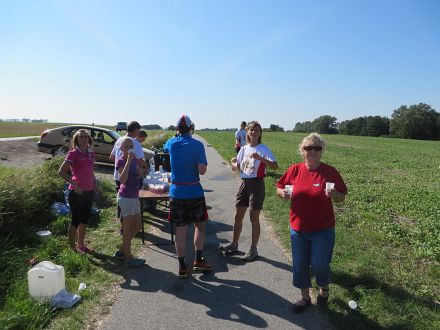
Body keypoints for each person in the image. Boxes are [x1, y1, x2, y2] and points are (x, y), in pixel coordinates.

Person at [275, 132, 347, 313]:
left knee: (320, 264)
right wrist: (282, 193)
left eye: (317, 147)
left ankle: (324, 287)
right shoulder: (295, 170)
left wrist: (335, 195)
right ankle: (305, 297)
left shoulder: (329, 172)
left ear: (322, 150)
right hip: (298, 228)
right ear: (302, 150)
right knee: (300, 265)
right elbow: (279, 186)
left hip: (323, 228)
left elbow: (342, 197)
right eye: (308, 147)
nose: (312, 151)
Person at [220, 121, 278, 261]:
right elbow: (238, 167)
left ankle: (253, 249)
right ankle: (234, 244)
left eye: (257, 130)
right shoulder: (244, 149)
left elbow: (275, 166)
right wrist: (234, 163)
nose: (254, 132)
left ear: (260, 133)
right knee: (237, 216)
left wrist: (260, 158)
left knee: (254, 218)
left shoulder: (263, 149)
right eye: (252, 130)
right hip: (244, 184)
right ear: (247, 132)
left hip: (257, 185)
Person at [164, 114, 211, 279]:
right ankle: (198, 260)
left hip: (177, 192)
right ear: (192, 128)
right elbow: (202, 170)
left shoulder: (171, 143)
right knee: (200, 226)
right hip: (194, 191)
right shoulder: (198, 145)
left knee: (180, 231)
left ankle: (183, 266)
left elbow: (165, 148)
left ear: (177, 129)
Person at [58, 129, 98, 254]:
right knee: (76, 220)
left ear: (89, 139)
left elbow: (91, 171)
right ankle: (72, 248)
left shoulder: (91, 153)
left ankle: (81, 245)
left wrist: (95, 183)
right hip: (76, 192)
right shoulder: (73, 153)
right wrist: (75, 185)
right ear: (76, 140)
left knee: (85, 219)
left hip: (89, 191)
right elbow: (61, 172)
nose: (84, 139)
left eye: (86, 136)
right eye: (81, 137)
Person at [114, 137, 145, 267]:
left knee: (138, 225)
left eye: (130, 146)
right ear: (121, 149)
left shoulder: (134, 161)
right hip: (125, 197)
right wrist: (128, 161)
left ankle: (122, 249)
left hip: (134, 196)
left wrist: (140, 172)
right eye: (126, 146)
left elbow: (137, 176)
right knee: (127, 230)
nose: (129, 148)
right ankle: (128, 258)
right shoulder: (121, 161)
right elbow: (122, 180)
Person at [110, 121, 146, 219]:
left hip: (118, 176)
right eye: (138, 130)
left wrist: (120, 166)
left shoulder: (119, 140)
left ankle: (122, 222)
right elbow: (140, 160)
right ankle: (127, 225)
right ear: (135, 129)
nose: (139, 132)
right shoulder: (134, 142)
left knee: (121, 199)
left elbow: (112, 157)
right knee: (130, 200)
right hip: (129, 177)